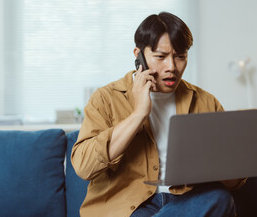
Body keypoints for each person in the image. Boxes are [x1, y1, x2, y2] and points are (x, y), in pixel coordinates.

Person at [71, 12, 247, 217]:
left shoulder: (205, 102)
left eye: (180, 57)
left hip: (186, 203)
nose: (171, 67)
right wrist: (138, 114)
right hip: (130, 208)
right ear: (139, 55)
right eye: (160, 57)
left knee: (220, 198)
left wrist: (224, 167)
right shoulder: (105, 98)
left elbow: (235, 183)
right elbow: (84, 167)